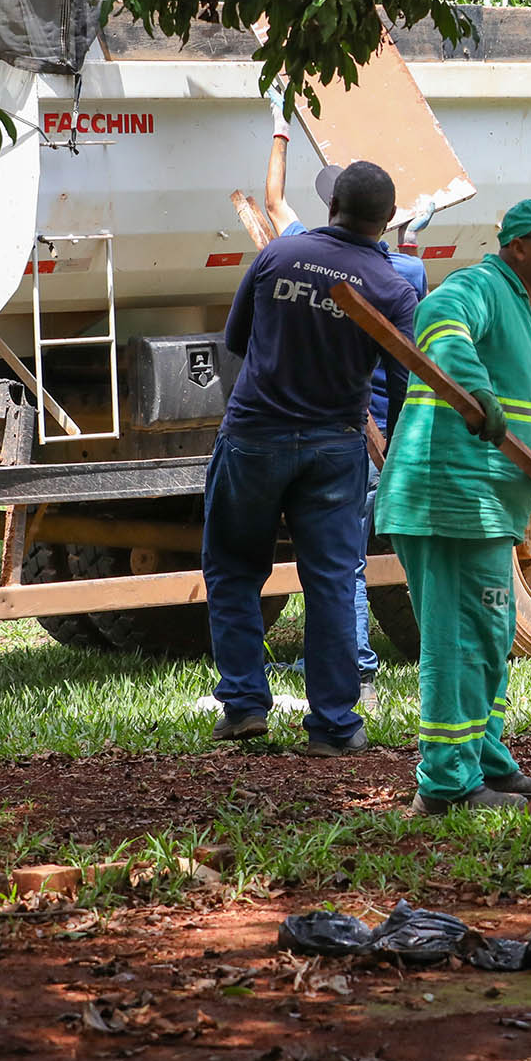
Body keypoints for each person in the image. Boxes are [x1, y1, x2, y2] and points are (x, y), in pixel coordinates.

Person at [376, 198, 531, 814]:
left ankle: (489, 763)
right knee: (458, 642)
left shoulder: (529, 314)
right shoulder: (481, 284)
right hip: (447, 497)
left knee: (492, 632)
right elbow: (438, 317)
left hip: (488, 500)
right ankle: (448, 785)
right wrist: (472, 386)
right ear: (517, 247)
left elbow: (522, 429)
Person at [203, 159, 419, 753]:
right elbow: (404, 386)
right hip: (334, 447)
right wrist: (394, 458)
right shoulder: (395, 291)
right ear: (387, 221)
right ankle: (334, 725)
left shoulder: (279, 256)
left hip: (254, 437)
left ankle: (244, 705)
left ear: (331, 208)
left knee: (232, 568)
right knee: (328, 582)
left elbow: (237, 341)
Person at [264, 91, 430, 706]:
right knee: (349, 556)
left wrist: (279, 127)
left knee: (341, 561)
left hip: (353, 432)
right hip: (380, 437)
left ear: (334, 209)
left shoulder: (303, 254)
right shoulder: (404, 275)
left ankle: (354, 661)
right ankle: (342, 656)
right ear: (388, 222)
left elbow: (274, 201)